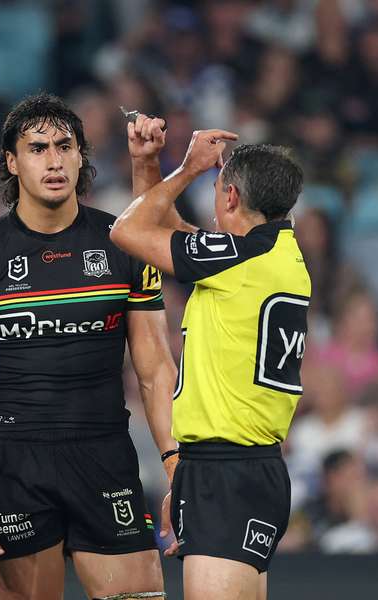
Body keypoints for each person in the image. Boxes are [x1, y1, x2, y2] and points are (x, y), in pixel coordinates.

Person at [0, 93, 178, 599]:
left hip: (104, 454)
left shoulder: (125, 244)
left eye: (65, 146)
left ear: (81, 156)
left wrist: (177, 467)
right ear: (12, 162)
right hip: (14, 465)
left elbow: (156, 371)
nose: (53, 160)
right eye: (37, 148)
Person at [110, 133, 311, 600]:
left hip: (226, 473)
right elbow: (168, 231)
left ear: (232, 195)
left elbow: (127, 230)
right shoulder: (276, 255)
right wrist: (148, 163)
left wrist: (188, 169)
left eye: (218, 186)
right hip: (246, 467)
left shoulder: (239, 260)